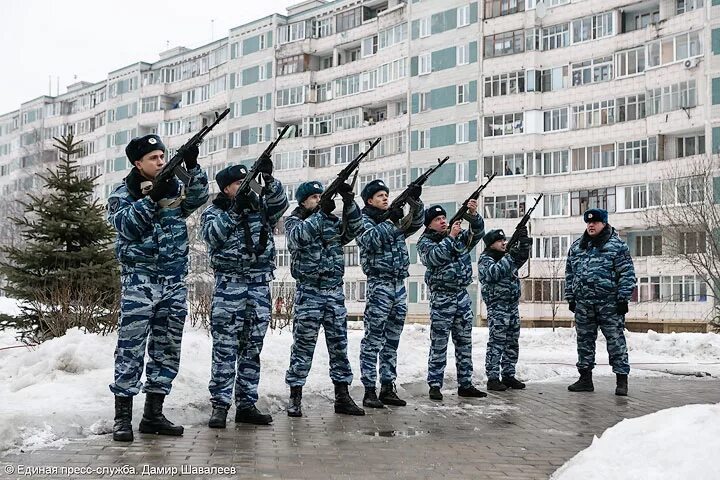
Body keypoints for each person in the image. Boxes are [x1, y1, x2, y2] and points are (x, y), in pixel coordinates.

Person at [107, 134, 209, 441]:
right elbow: (126, 227)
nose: (161, 161)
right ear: (138, 163)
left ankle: (153, 414)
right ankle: (122, 417)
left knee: (166, 349)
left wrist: (192, 166)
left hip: (173, 281)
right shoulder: (123, 193)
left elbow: (198, 198)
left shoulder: (174, 188)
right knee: (131, 348)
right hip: (140, 281)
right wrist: (151, 200)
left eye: (163, 156)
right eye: (154, 158)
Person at [201, 160, 288, 428]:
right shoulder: (214, 212)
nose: (245, 189)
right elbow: (212, 236)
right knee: (225, 348)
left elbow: (280, 203)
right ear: (227, 189)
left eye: (247, 183)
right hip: (230, 286)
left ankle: (247, 404)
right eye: (240, 184)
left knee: (252, 349)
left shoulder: (260, 210)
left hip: (259, 286)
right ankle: (220, 405)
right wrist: (234, 212)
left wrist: (269, 179)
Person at [284, 181, 365, 417]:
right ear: (303, 201)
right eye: (314, 197)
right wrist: (320, 214)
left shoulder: (331, 222)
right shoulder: (294, 221)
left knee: (339, 347)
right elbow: (298, 238)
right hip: (309, 292)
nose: (319, 200)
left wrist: (349, 202)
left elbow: (353, 230)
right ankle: (295, 396)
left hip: (333, 292)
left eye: (321, 196)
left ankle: (342, 396)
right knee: (303, 346)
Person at [355, 180, 424, 408]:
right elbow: (369, 240)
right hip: (380, 285)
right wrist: (390, 220)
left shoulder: (391, 220)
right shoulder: (364, 221)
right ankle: (368, 390)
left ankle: (387, 386)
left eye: (387, 194)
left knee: (392, 340)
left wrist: (415, 202)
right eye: (380, 195)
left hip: (398, 286)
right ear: (369, 200)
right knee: (373, 339)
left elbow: (414, 225)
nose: (385, 198)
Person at [417, 202, 487, 401]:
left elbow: (478, 232)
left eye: (444, 219)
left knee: (464, 342)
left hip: (462, 296)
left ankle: (465, 384)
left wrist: (473, 215)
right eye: (438, 220)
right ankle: (435, 384)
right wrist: (451, 237)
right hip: (442, 298)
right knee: (439, 342)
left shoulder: (457, 238)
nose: (442, 222)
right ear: (429, 224)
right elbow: (434, 258)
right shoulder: (425, 242)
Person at [565, 208, 636, 396]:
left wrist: (623, 298)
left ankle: (621, 380)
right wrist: (571, 297)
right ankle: (585, 379)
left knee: (615, 341)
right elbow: (570, 273)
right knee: (584, 341)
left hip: (609, 304)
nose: (591, 225)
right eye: (588, 222)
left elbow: (627, 274)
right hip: (584, 304)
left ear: (604, 223)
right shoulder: (577, 247)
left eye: (595, 222)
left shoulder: (617, 246)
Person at [477, 228, 532, 392]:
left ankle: (508, 374)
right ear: (491, 244)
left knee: (512, 342)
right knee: (497, 342)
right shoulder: (485, 260)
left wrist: (523, 244)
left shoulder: (505, 257)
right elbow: (493, 274)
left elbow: (520, 258)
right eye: (500, 241)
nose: (504, 243)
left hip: (512, 305)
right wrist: (509, 255)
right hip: (497, 306)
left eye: (504, 240)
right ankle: (493, 378)